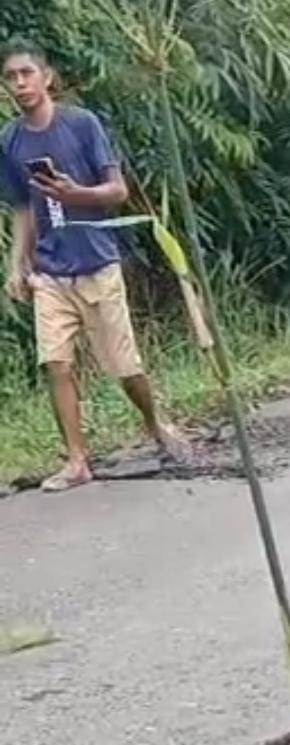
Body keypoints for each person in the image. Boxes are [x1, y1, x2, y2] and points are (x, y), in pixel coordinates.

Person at [1, 40, 189, 492]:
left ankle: (154, 421)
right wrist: (16, 265)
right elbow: (23, 208)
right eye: (10, 77)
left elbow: (117, 191)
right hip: (51, 271)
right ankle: (78, 460)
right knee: (57, 363)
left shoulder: (82, 124)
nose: (20, 84)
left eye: (27, 73)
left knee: (124, 367)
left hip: (97, 264)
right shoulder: (9, 140)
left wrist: (75, 194)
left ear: (47, 77)